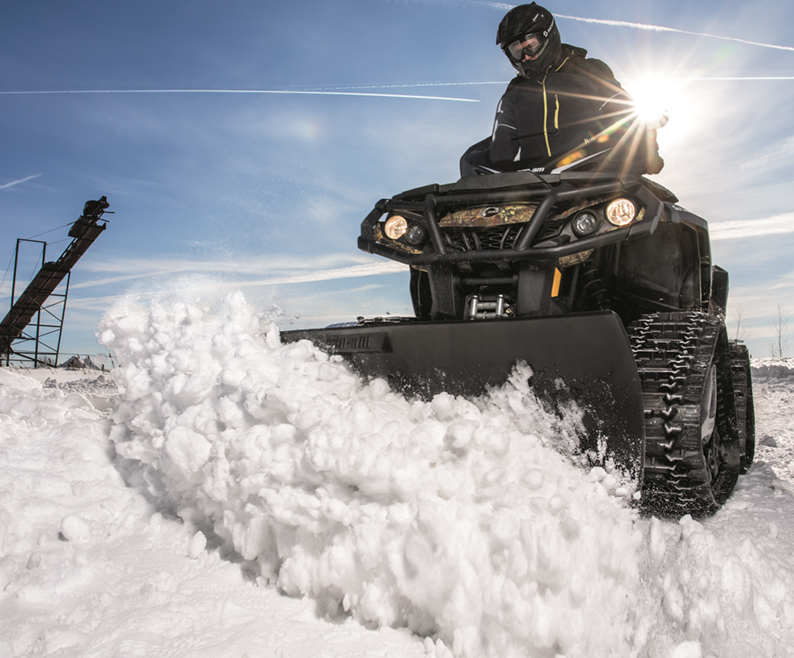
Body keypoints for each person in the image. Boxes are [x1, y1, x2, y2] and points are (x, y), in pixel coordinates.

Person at [462, 3, 664, 176]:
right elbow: (504, 138)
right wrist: (494, 168)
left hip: (586, 170)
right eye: (517, 52)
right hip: (532, 179)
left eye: (530, 46)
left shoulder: (588, 70)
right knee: (470, 158)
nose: (525, 57)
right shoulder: (516, 89)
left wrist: (647, 150)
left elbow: (625, 112)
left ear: (548, 36)